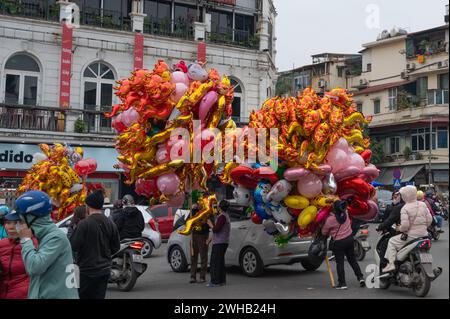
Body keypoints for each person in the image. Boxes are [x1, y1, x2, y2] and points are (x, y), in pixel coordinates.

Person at [15, 190, 79, 299]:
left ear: (32, 217)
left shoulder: (56, 237)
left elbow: (35, 267)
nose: (19, 225)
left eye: (21, 220)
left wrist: (25, 240)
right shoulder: (43, 236)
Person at [70, 189, 120, 299]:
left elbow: (74, 245)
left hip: (86, 270)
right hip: (104, 270)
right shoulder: (110, 223)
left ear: (88, 206)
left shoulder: (84, 224)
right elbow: (116, 247)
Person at [383, 186, 433, 273]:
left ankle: (391, 264)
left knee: (391, 241)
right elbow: (429, 220)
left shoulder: (405, 208)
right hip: (424, 235)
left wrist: (399, 228)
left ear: (405, 196)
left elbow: (405, 226)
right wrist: (423, 227)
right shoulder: (423, 204)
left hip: (411, 237)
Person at [322, 200, 365, 290]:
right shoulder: (345, 212)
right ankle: (360, 278)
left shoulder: (330, 219)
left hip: (339, 242)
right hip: (349, 239)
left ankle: (342, 283)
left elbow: (324, 232)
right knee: (352, 260)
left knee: (340, 263)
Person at [0, 210, 37, 299]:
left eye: (17, 223)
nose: (11, 227)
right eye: (8, 223)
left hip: (24, 294)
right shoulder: (2, 243)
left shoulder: (35, 244)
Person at [376, 191, 405, 269]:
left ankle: (387, 265)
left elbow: (390, 220)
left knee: (386, 244)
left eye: (398, 196)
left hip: (405, 233)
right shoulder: (419, 205)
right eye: (394, 196)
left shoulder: (400, 207)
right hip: (423, 234)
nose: (396, 198)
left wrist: (381, 227)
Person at [206, 200, 231, 288]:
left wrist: (210, 224)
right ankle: (221, 280)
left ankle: (215, 281)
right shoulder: (224, 216)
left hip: (219, 242)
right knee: (220, 262)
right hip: (222, 241)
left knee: (215, 262)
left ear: (220, 207)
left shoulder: (222, 217)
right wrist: (210, 239)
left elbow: (216, 229)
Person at [189, 203, 211, 284]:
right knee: (193, 256)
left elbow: (210, 223)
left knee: (203, 257)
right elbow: (187, 222)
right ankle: (193, 276)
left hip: (203, 235)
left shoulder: (206, 211)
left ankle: (202, 276)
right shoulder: (193, 211)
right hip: (194, 235)